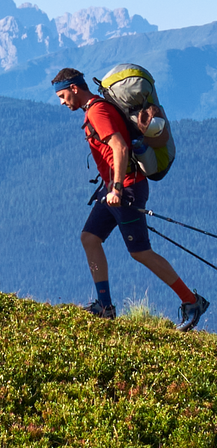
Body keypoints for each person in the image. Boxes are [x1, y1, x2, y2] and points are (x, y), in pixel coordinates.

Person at [52, 67, 209, 331]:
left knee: (141, 252)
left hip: (125, 189)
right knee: (90, 239)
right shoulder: (95, 109)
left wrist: (116, 189)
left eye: (63, 96)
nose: (62, 102)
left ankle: (192, 301)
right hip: (112, 189)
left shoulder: (97, 111)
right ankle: (105, 306)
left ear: (75, 89)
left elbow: (120, 147)